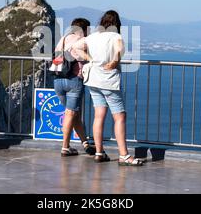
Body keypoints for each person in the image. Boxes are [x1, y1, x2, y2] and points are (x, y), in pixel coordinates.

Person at [73, 10, 143, 166]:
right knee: (120, 116)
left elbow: (76, 47)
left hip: (92, 80)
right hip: (108, 81)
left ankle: (99, 152)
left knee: (99, 115)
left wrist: (89, 59)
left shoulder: (92, 37)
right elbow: (120, 50)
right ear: (117, 24)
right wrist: (113, 62)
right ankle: (124, 155)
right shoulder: (116, 36)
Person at [53, 18, 96, 157]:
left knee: (72, 114)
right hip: (74, 80)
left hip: (58, 80)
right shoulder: (83, 40)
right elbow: (91, 57)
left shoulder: (64, 39)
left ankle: (85, 143)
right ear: (84, 30)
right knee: (70, 114)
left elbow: (56, 55)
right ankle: (65, 147)